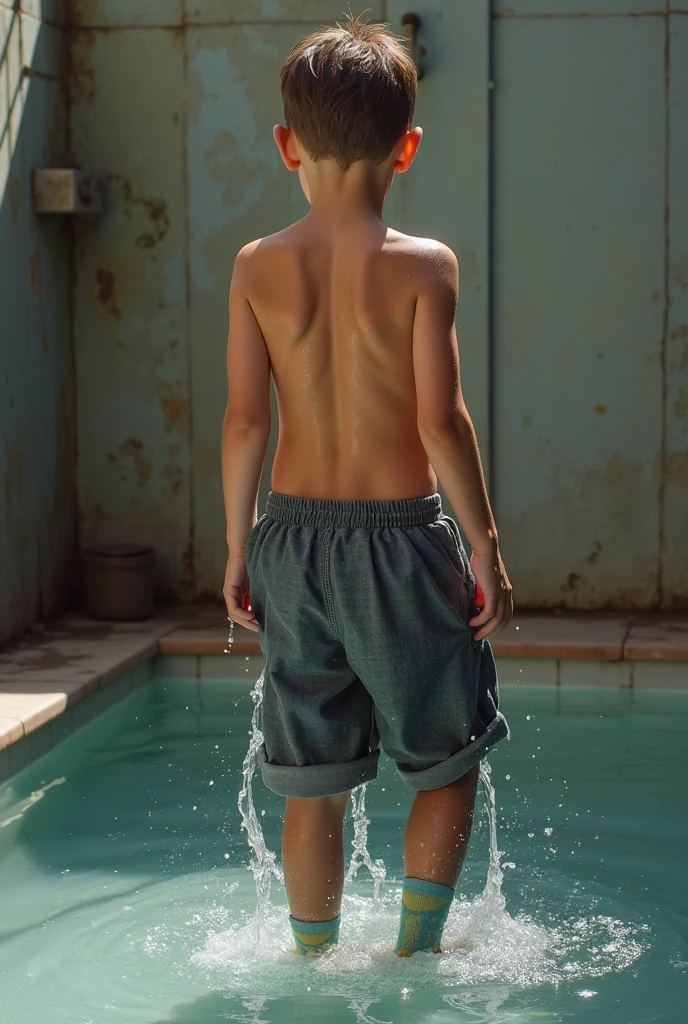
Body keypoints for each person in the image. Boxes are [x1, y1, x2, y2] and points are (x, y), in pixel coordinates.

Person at [221, 14, 512, 958]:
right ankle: (415, 956)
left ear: (286, 144)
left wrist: (238, 548)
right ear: (408, 146)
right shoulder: (426, 267)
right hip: (401, 540)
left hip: (292, 544)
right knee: (447, 762)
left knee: (315, 777)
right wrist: (485, 546)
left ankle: (313, 962)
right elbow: (441, 422)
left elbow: (244, 425)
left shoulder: (257, 267)